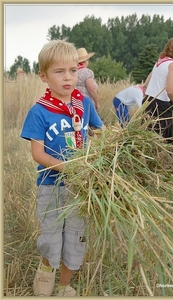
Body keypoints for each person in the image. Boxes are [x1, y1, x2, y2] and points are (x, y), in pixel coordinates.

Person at [20, 38, 105, 297]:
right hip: (51, 186)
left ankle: (65, 285)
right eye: (59, 71)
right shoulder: (40, 111)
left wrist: (106, 153)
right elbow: (38, 153)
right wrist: (68, 168)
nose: (68, 78)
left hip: (81, 188)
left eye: (73, 70)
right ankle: (46, 272)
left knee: (76, 237)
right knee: (52, 236)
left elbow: (100, 133)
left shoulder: (85, 105)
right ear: (44, 76)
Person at [142, 37, 173, 144]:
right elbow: (170, 90)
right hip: (160, 106)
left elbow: (145, 86)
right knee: (165, 143)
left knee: (147, 140)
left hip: (148, 102)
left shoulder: (158, 62)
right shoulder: (172, 65)